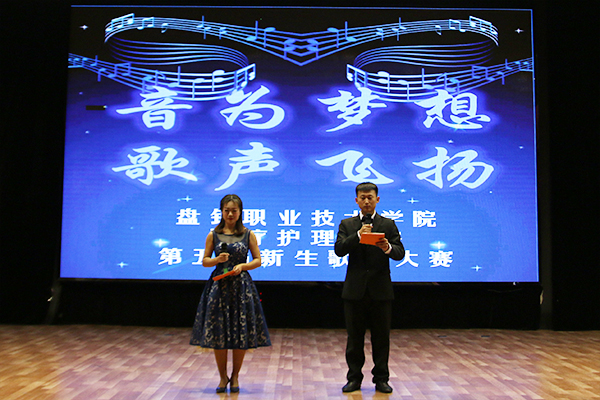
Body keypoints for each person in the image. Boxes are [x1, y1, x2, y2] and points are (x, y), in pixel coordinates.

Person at [190, 194, 271, 393]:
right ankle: (222, 377)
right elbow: (205, 261)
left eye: (234, 211)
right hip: (219, 287)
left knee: (240, 333)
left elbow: (258, 260)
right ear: (221, 211)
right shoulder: (213, 234)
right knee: (219, 333)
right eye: (227, 210)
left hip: (241, 287)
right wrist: (217, 260)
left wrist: (243, 266)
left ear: (240, 212)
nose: (230, 214)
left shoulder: (248, 234)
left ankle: (235, 376)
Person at [334, 182, 405, 394]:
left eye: (370, 197)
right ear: (356, 200)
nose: (366, 201)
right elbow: (339, 249)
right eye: (362, 198)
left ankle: (381, 379)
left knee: (381, 339)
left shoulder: (388, 224)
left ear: (377, 199)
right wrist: (358, 236)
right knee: (354, 339)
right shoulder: (347, 224)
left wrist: (387, 247)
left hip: (380, 291)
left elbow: (400, 253)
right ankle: (354, 378)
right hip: (355, 291)